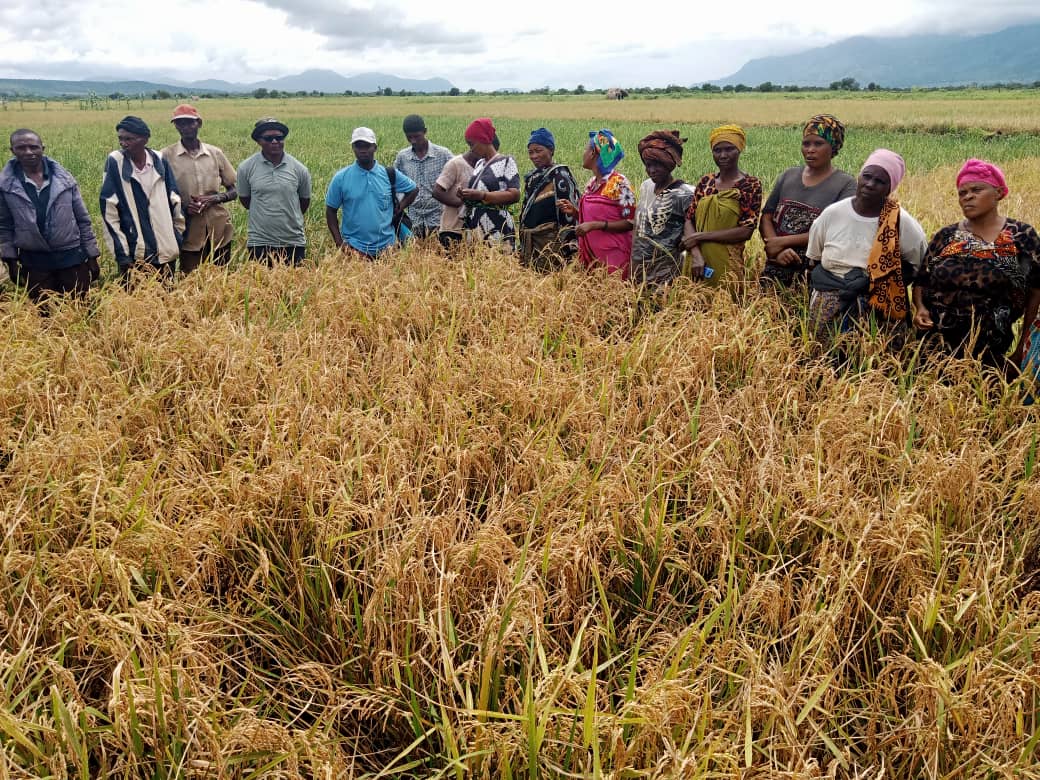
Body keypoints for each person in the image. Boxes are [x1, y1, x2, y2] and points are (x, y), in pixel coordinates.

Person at [912, 159, 1040, 373]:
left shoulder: (1020, 236)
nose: (967, 197)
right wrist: (920, 308)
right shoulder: (946, 236)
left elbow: (1036, 292)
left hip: (989, 351)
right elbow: (922, 281)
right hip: (934, 348)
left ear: (998, 193)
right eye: (962, 193)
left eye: (976, 190)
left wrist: (1021, 350)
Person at [806, 149, 927, 339]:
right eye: (867, 176)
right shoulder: (832, 214)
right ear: (859, 176)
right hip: (830, 299)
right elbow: (813, 259)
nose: (870, 184)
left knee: (878, 361)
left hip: (880, 305)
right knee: (823, 360)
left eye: (880, 181)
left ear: (890, 187)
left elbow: (918, 268)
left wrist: (870, 283)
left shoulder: (901, 222)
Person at [0, 129, 100, 301]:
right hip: (34, 262)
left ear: (42, 148)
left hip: (72, 258)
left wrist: (91, 255)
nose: (28, 152)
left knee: (79, 308)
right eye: (21, 148)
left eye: (33, 147)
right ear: (12, 150)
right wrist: (10, 261)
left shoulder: (65, 180)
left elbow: (83, 220)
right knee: (44, 314)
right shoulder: (6, 185)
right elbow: (4, 226)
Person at [759, 115, 856, 289]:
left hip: (814, 276)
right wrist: (776, 250)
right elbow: (766, 217)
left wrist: (781, 243)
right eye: (806, 143)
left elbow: (835, 232)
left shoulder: (846, 185)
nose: (810, 149)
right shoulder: (788, 176)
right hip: (776, 266)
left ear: (833, 147)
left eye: (818, 144)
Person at [100, 116, 184, 280]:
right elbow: (109, 210)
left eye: (129, 139)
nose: (123, 143)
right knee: (137, 301)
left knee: (167, 298)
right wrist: (122, 254)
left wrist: (176, 238)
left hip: (166, 250)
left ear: (145, 139)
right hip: (135, 254)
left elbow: (175, 200)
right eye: (121, 139)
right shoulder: (115, 162)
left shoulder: (159, 160)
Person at [681, 125, 762, 287]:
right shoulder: (705, 182)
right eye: (717, 150)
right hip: (697, 262)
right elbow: (689, 219)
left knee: (726, 304)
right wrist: (696, 254)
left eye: (729, 149)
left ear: (739, 149)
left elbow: (746, 230)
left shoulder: (750, 185)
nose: (723, 155)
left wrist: (700, 236)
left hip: (728, 261)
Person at [160, 104, 237, 274]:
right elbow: (159, 195)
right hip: (188, 230)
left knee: (222, 281)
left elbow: (234, 190)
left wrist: (214, 199)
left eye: (189, 122)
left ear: (199, 123)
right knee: (190, 278)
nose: (185, 127)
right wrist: (184, 209)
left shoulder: (215, 153)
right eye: (180, 123)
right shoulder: (166, 155)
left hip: (219, 229)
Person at [325, 127, 418, 259]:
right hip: (355, 250)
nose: (363, 150)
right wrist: (340, 243)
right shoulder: (341, 178)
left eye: (367, 146)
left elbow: (413, 190)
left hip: (388, 249)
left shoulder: (389, 174)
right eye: (358, 146)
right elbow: (330, 211)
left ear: (375, 147)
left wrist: (400, 207)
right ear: (353, 148)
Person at [558, 129, 634, 277]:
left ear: (593, 153)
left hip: (614, 260)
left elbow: (630, 222)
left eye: (586, 149)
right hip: (591, 260)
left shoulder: (619, 183)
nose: (583, 153)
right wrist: (575, 212)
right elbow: (592, 219)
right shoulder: (592, 184)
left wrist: (595, 225)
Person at [236, 117, 311, 265]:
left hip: (293, 241)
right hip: (260, 241)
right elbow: (246, 201)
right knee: (261, 286)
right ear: (258, 141)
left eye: (279, 137)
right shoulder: (245, 168)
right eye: (268, 138)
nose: (275, 142)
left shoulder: (299, 169)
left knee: (295, 285)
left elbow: (304, 202)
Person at [630, 130, 694, 290]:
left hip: (666, 271)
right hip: (638, 266)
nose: (652, 170)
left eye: (657, 164)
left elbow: (692, 232)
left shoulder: (685, 194)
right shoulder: (646, 186)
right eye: (648, 165)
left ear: (668, 163)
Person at [519, 127, 579, 271]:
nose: (534, 156)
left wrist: (567, 251)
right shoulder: (532, 178)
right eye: (531, 152)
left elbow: (568, 220)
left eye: (538, 151)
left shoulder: (560, 178)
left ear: (551, 150)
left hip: (551, 247)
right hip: (531, 244)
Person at [458, 118, 520, 248]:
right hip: (476, 225)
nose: (471, 150)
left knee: (498, 264)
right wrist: (465, 195)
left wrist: (483, 195)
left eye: (472, 144)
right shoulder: (480, 164)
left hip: (498, 225)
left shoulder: (507, 161)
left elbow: (514, 195)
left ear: (484, 140)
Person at [393, 114, 452, 239]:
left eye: (417, 136)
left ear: (425, 132)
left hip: (438, 216)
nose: (413, 141)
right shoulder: (402, 157)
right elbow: (396, 185)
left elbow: (455, 181)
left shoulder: (443, 154)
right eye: (409, 137)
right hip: (414, 217)